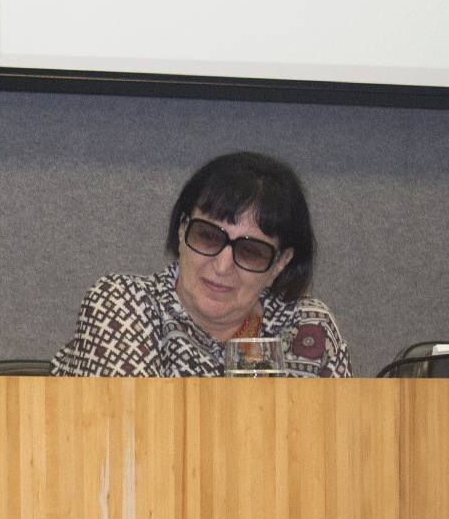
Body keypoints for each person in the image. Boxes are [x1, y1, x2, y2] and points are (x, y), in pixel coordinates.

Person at [51, 151, 349, 377]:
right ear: (182, 231)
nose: (222, 266)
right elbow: (132, 434)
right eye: (208, 237)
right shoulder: (123, 304)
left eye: (250, 251)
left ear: (280, 263)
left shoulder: (306, 325)